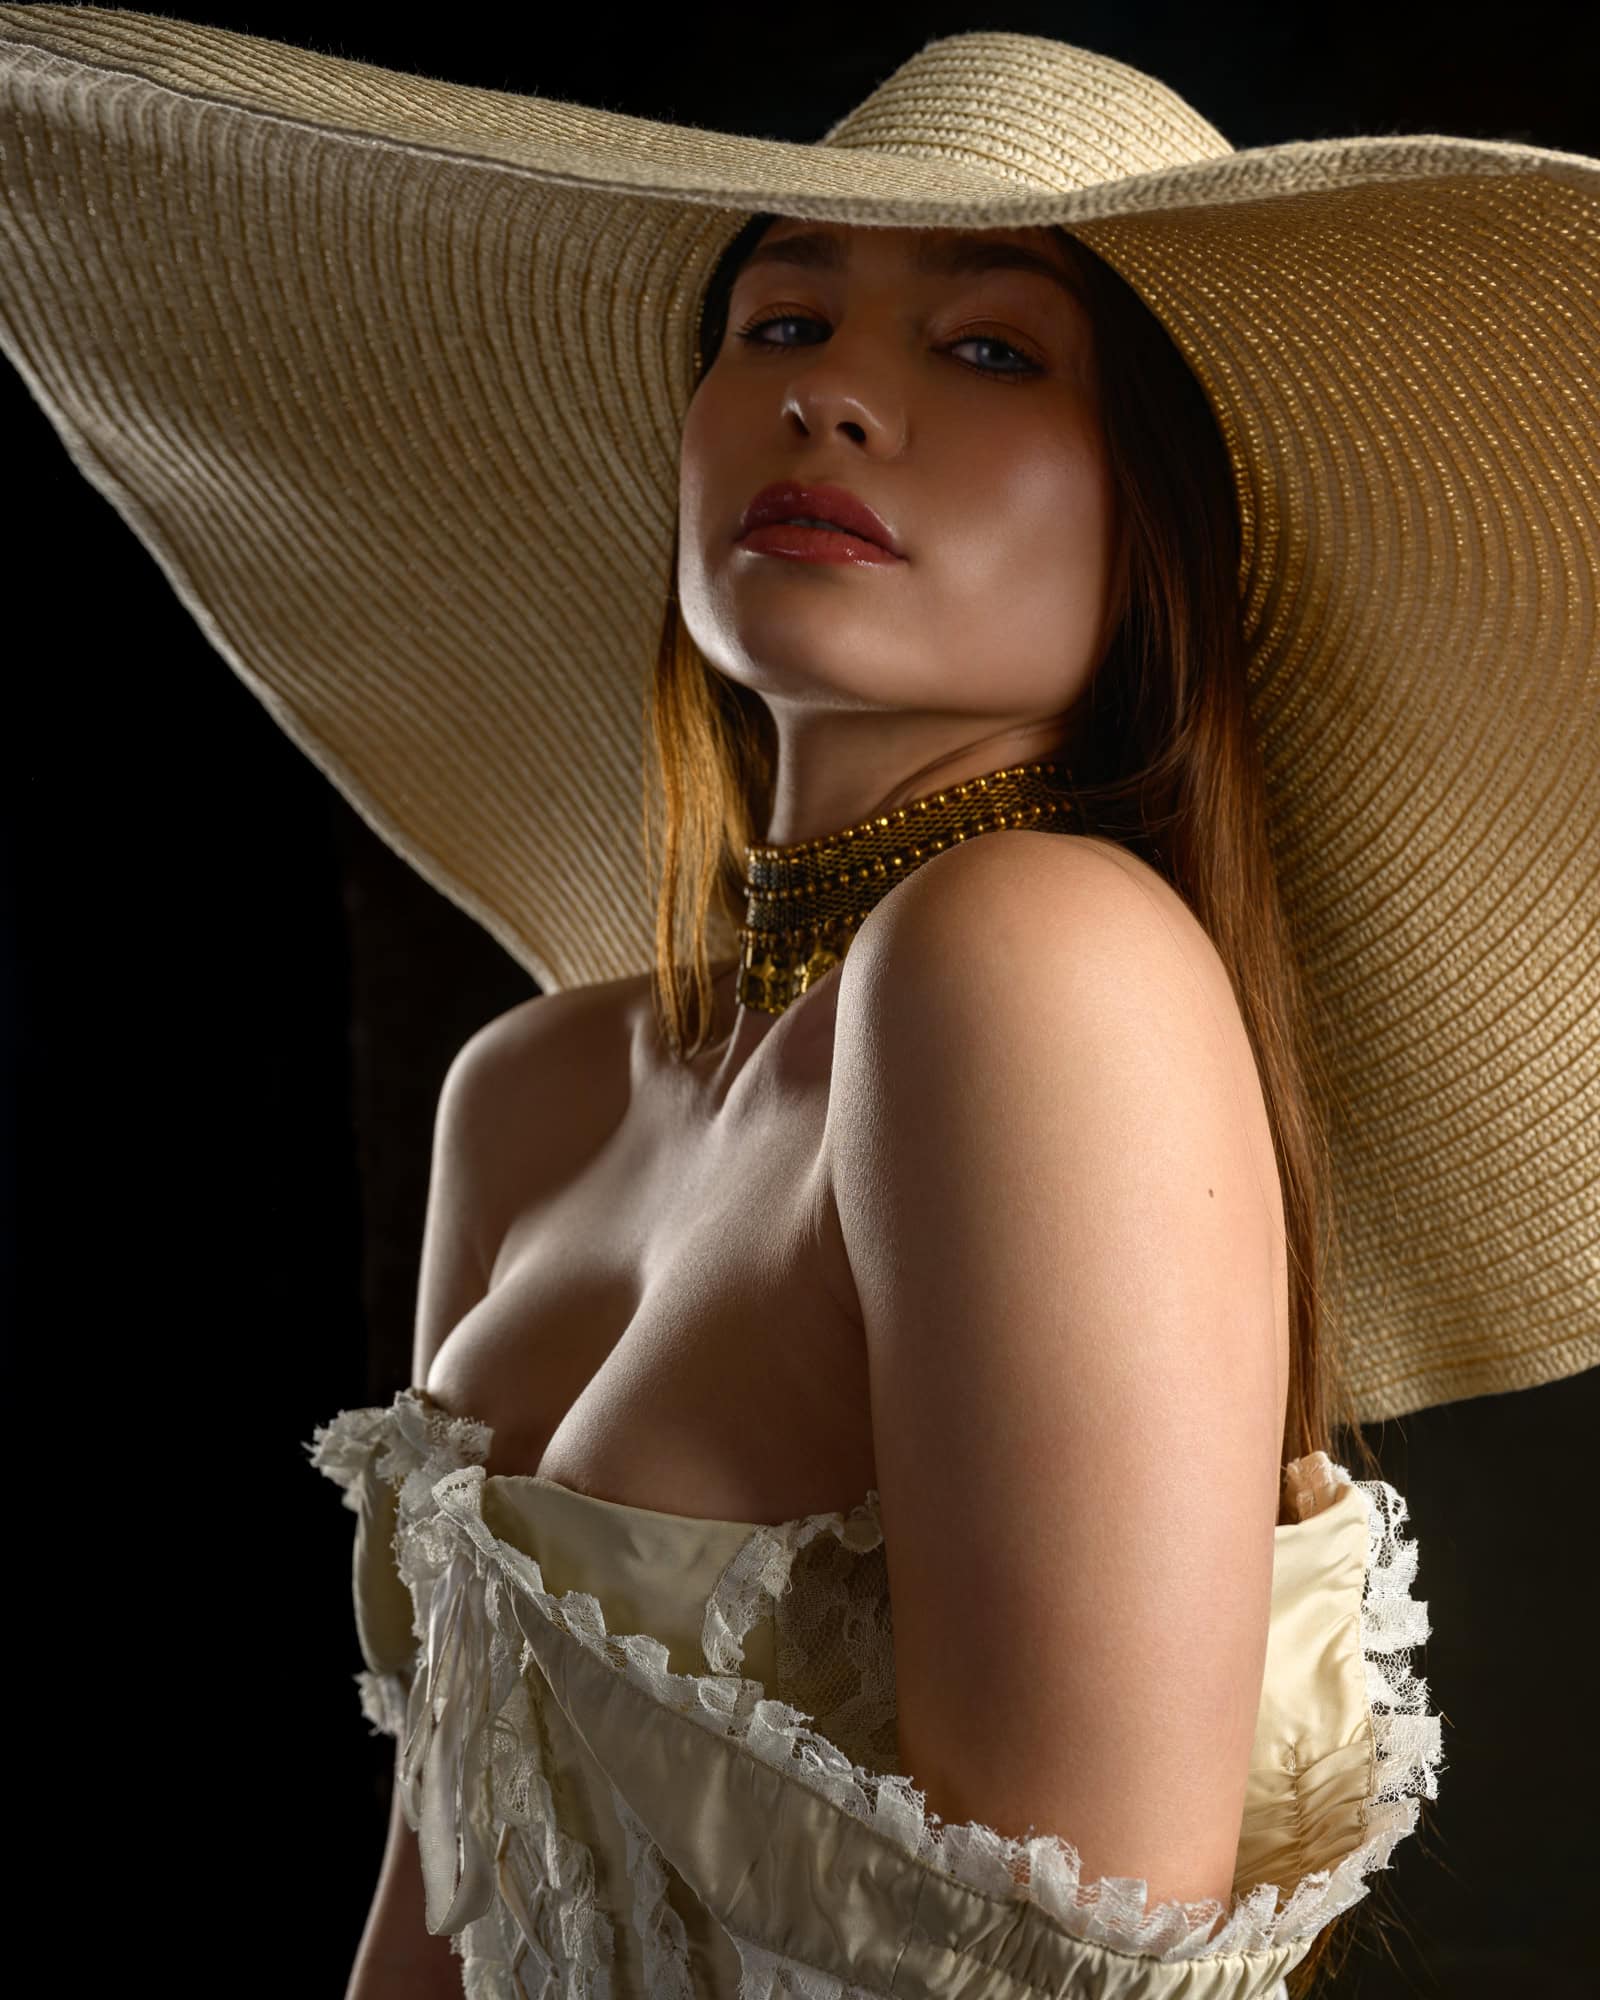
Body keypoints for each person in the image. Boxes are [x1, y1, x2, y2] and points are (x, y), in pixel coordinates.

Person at [2, 12, 1594, 1998]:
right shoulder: (535, 1089)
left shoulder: (1033, 954)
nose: (827, 393)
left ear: (1155, 530)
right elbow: (435, 1909)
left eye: (991, 350)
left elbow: (1076, 1965)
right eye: (778, 322)